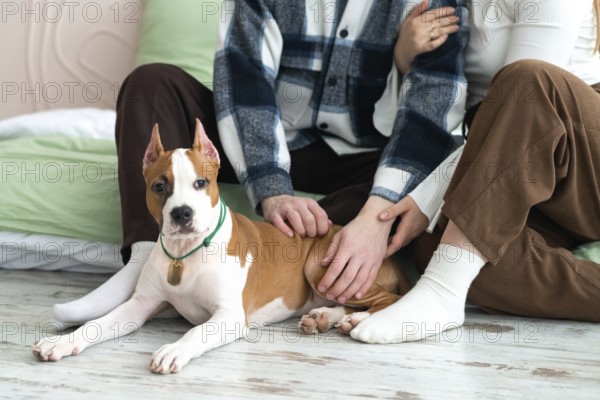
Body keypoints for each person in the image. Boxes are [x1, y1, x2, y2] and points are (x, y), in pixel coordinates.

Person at [52, 0, 468, 325]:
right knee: (151, 82)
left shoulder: (432, 7)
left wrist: (399, 63)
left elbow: (429, 115)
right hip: (259, 142)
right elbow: (244, 81)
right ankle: (146, 256)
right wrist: (272, 191)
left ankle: (299, 265)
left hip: (361, 158)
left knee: (421, 174)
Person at [349, 0, 600, 343]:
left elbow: (520, 109)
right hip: (531, 177)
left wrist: (426, 198)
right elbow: (412, 119)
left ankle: (442, 291)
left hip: (583, 153)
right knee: (436, 243)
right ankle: (447, 284)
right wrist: (405, 59)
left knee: (528, 80)